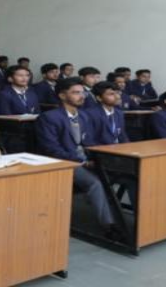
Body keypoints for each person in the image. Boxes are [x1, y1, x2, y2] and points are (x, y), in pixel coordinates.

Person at [34, 77, 120, 238]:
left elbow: (90, 142)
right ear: (62, 95)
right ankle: (109, 225)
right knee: (96, 182)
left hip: (85, 159)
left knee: (122, 173)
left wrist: (100, 158)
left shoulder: (84, 116)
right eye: (75, 93)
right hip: (64, 162)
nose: (82, 96)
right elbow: (51, 149)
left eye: (82, 93)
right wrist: (82, 161)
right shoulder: (49, 117)